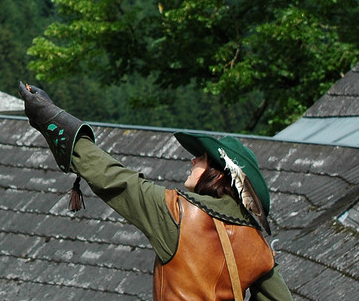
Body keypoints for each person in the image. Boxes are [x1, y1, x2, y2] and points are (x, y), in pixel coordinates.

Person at [19, 83, 293, 300]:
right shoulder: (257, 244)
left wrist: (48, 115)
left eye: (202, 157)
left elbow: (112, 177)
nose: (193, 160)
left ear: (219, 173)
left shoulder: (179, 213)